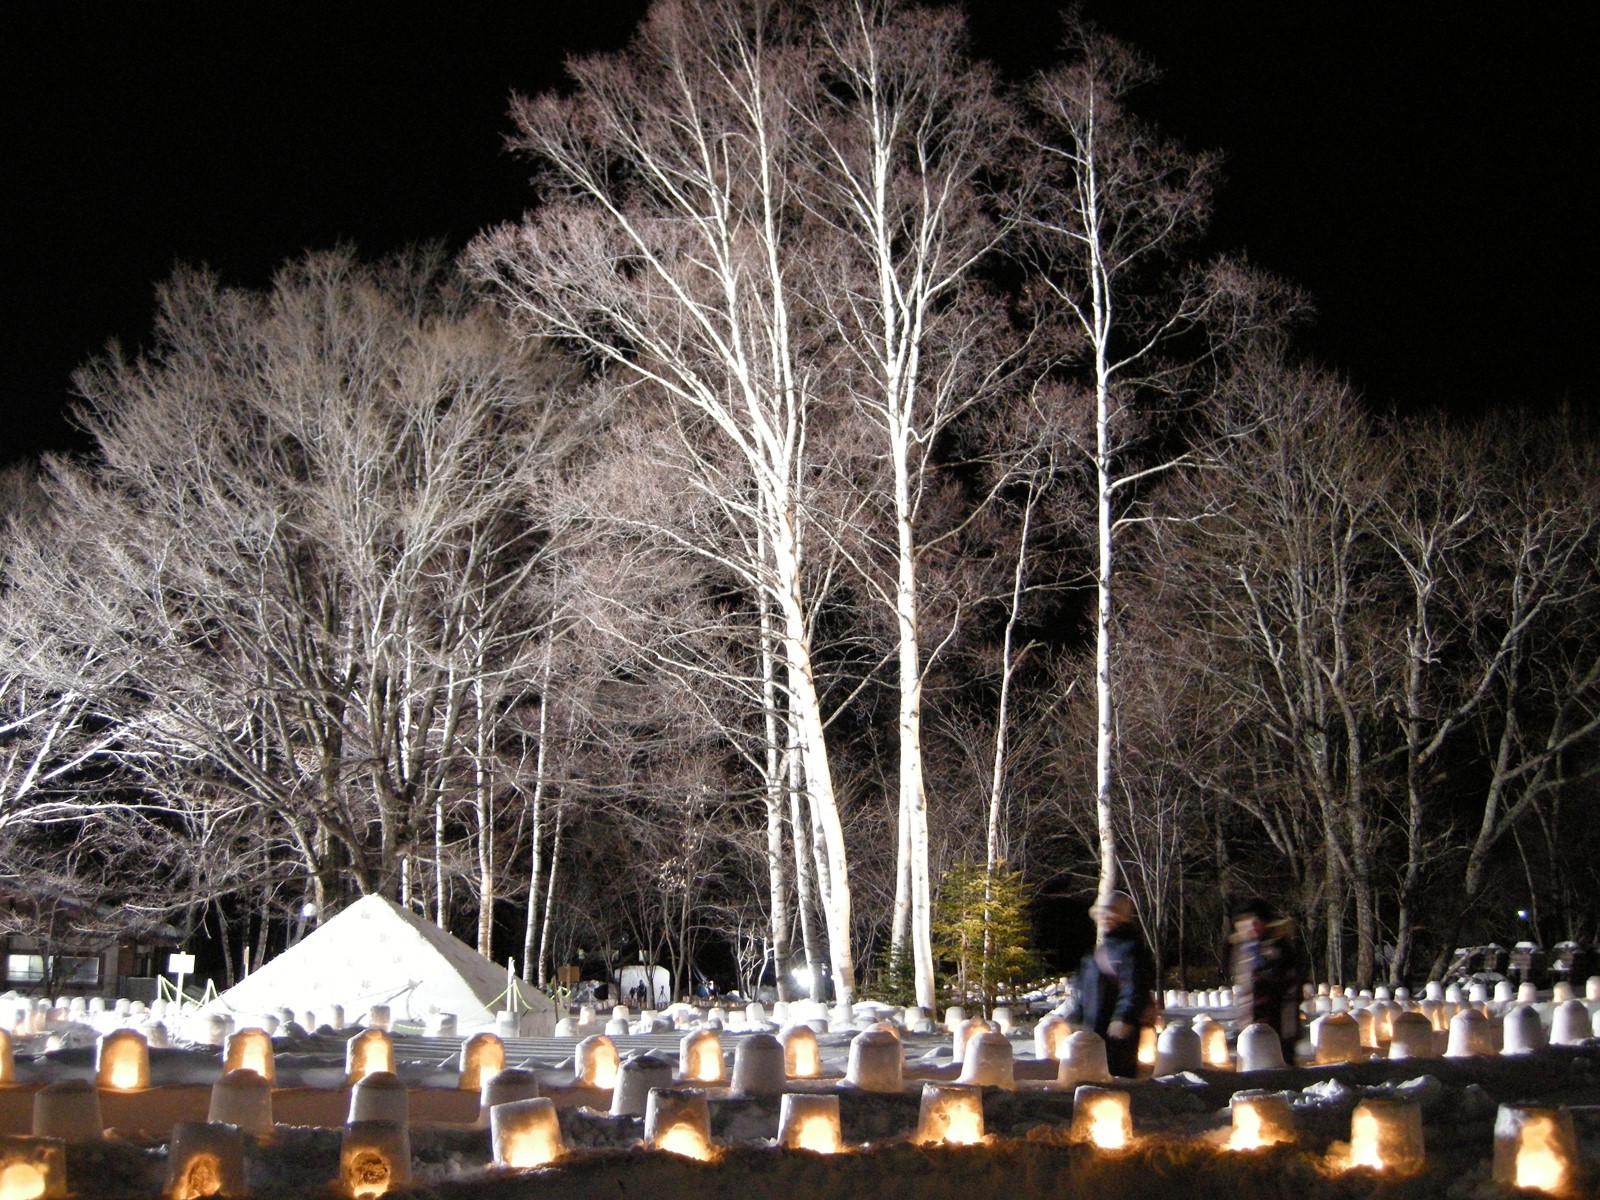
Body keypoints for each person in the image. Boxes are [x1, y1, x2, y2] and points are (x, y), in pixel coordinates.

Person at [1064, 890, 1156, 1078]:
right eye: (1102, 914)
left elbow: (1135, 986)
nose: (1104, 918)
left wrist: (1124, 1018)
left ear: (1122, 917)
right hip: (1094, 1032)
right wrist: (1076, 1016)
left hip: (1117, 1035)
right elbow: (1082, 990)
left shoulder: (1130, 949)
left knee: (1116, 1085)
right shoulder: (1097, 953)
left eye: (1111, 914)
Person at [1231, 897, 1304, 1065]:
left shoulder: (1278, 949)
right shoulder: (1244, 950)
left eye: (1255, 921)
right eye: (1244, 922)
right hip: (1250, 1029)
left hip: (1277, 1029)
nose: (1250, 926)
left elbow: (1287, 989)